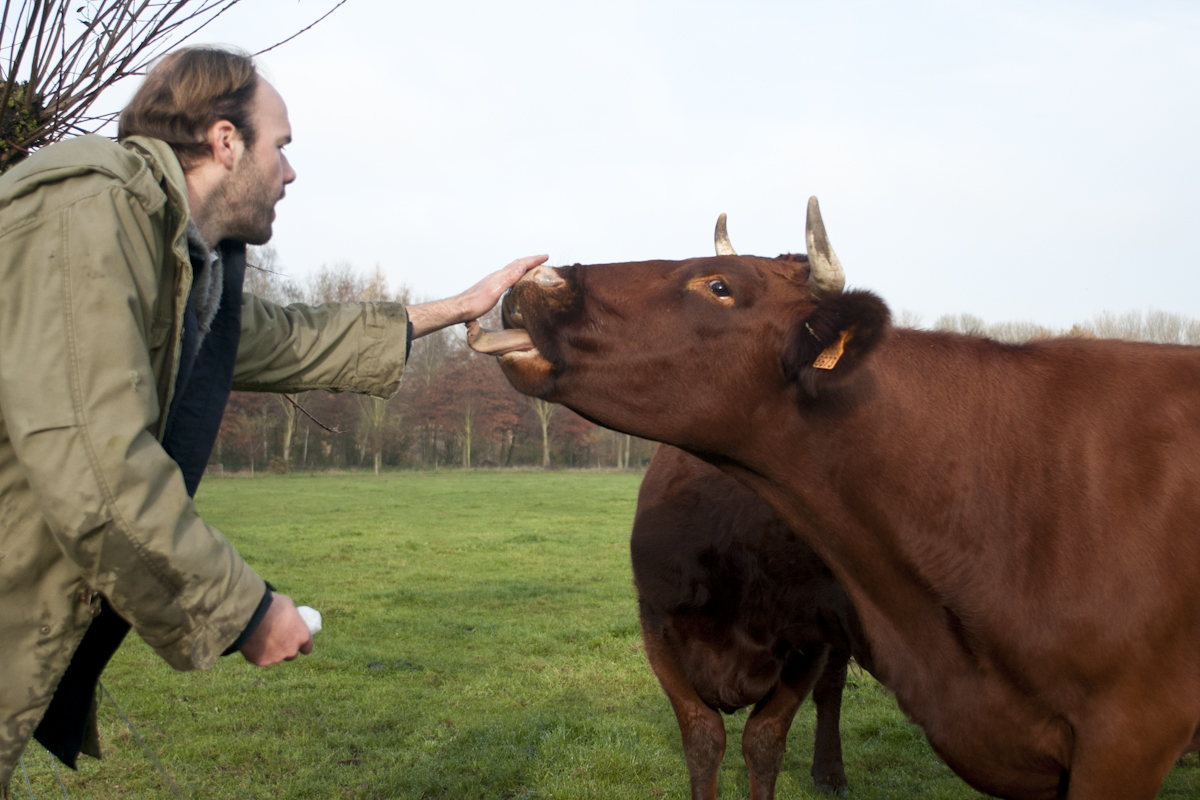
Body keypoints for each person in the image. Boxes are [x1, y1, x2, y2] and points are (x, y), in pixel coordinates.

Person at [0, 45, 546, 791]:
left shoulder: (175, 264)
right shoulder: (86, 213)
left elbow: (291, 335)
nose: (290, 173)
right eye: (281, 147)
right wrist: (244, 610)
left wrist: (456, 307)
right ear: (226, 142)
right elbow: (94, 469)